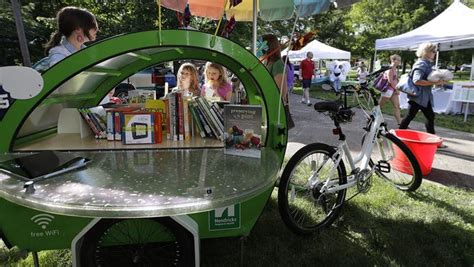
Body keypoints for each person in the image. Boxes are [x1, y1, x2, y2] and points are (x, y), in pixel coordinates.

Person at [399, 43, 444, 135]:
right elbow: (417, 81)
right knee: (410, 116)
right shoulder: (421, 64)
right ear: (426, 52)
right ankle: (398, 136)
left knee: (429, 116)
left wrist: (438, 80)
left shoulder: (426, 63)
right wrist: (434, 83)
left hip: (424, 96)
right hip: (417, 96)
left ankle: (432, 139)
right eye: (433, 51)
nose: (435, 53)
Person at [261, 34, 294, 129]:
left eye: (260, 44)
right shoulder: (267, 62)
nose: (258, 46)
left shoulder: (277, 64)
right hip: (267, 107)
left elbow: (282, 92)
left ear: (268, 46)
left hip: (275, 110)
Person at [379, 55, 402, 125]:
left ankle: (400, 124)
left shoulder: (395, 68)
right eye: (398, 60)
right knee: (379, 106)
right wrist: (396, 89)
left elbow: (395, 79)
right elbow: (390, 81)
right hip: (388, 90)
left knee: (397, 106)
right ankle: (371, 118)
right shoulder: (390, 69)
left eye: (399, 60)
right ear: (393, 60)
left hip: (394, 90)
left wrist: (398, 87)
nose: (399, 62)